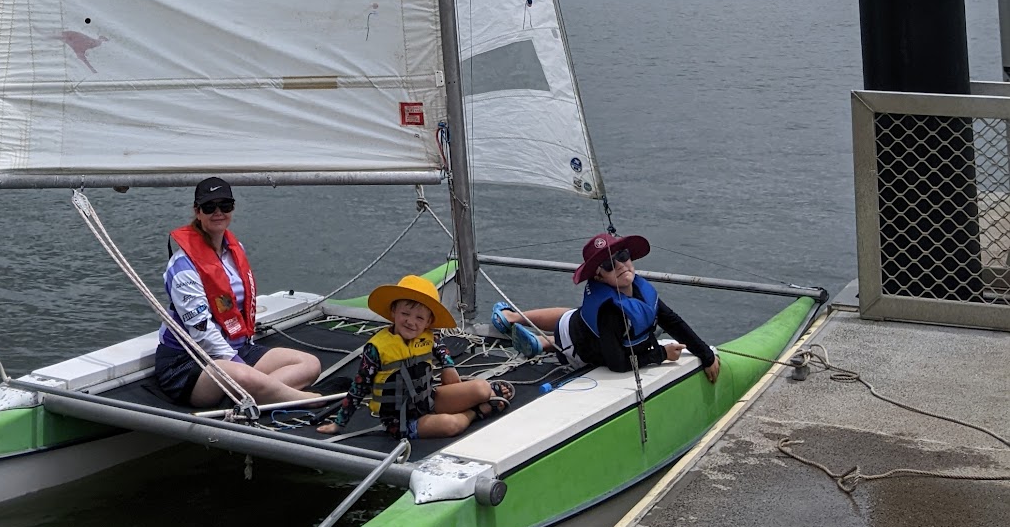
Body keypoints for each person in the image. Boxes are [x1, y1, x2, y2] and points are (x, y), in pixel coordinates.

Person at [152, 178, 322, 408]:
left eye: (225, 205)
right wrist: (239, 365)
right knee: (243, 376)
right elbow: (201, 331)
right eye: (209, 207)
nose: (218, 212)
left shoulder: (234, 250)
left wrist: (240, 361)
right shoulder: (183, 267)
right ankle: (309, 400)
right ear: (197, 211)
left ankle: (251, 398)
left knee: (309, 363)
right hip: (189, 362)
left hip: (236, 348)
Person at [494, 233, 720, 382]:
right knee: (567, 329)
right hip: (577, 349)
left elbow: (673, 322)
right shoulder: (611, 313)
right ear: (599, 276)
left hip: (578, 323)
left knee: (571, 316)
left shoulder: (640, 291)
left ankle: (517, 320)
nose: (620, 265)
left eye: (623, 256)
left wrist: (706, 355)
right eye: (609, 264)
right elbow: (617, 363)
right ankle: (543, 342)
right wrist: (661, 354)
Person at [317, 274, 512, 441]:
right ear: (393, 312)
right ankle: (477, 412)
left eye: (420, 318)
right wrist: (339, 423)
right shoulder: (376, 348)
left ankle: (478, 399)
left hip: (429, 401)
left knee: (482, 387)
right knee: (450, 424)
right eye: (405, 314)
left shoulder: (430, 337)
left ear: (428, 322)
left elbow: (444, 355)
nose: (411, 322)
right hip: (399, 421)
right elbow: (358, 389)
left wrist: (449, 369)